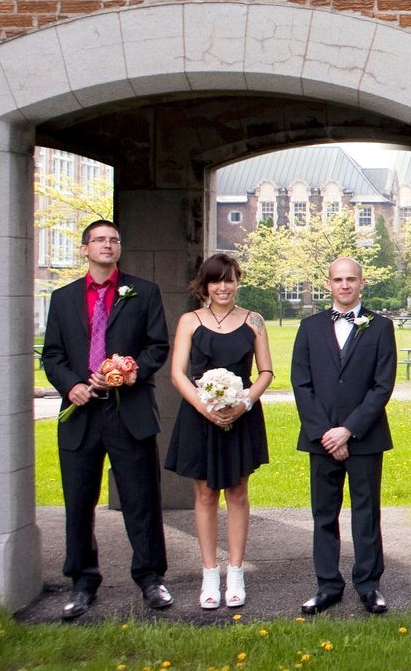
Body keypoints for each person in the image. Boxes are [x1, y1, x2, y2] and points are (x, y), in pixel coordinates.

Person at [39, 219, 172, 620]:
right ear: (85, 249)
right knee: (79, 502)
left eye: (114, 239)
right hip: (81, 414)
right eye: (99, 239)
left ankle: (151, 578)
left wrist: (131, 371)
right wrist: (71, 387)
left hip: (128, 411)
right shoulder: (62, 299)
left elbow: (157, 346)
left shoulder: (143, 293)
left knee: (141, 499)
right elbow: (52, 355)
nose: (108, 245)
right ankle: (82, 582)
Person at [164, 253, 273, 610]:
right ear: (205, 284)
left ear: (238, 281)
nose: (223, 287)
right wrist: (204, 407)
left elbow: (266, 372)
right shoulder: (190, 321)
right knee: (206, 494)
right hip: (200, 417)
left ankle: (236, 572)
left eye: (229, 280)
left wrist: (243, 404)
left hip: (242, 416)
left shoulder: (254, 321)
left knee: (238, 493)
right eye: (216, 280)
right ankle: (210, 573)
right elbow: (178, 373)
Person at [290, 256, 397, 615]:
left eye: (351, 279)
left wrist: (348, 430)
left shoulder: (380, 327)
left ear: (362, 283)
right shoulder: (309, 327)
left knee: (366, 513)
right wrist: (325, 433)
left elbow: (382, 386)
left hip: (364, 438)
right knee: (324, 513)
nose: (345, 285)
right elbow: (301, 384)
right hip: (321, 439)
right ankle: (327, 586)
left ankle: (368, 585)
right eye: (338, 279)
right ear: (329, 283)